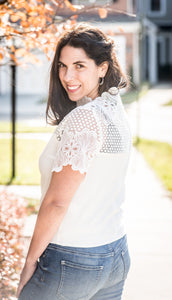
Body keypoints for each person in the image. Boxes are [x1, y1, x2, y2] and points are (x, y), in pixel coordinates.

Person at [17, 23, 132, 300]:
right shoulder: (113, 108)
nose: (68, 76)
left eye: (79, 65)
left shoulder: (85, 117)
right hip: (114, 252)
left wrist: (30, 261)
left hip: (72, 258)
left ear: (102, 68)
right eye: (62, 65)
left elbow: (57, 202)